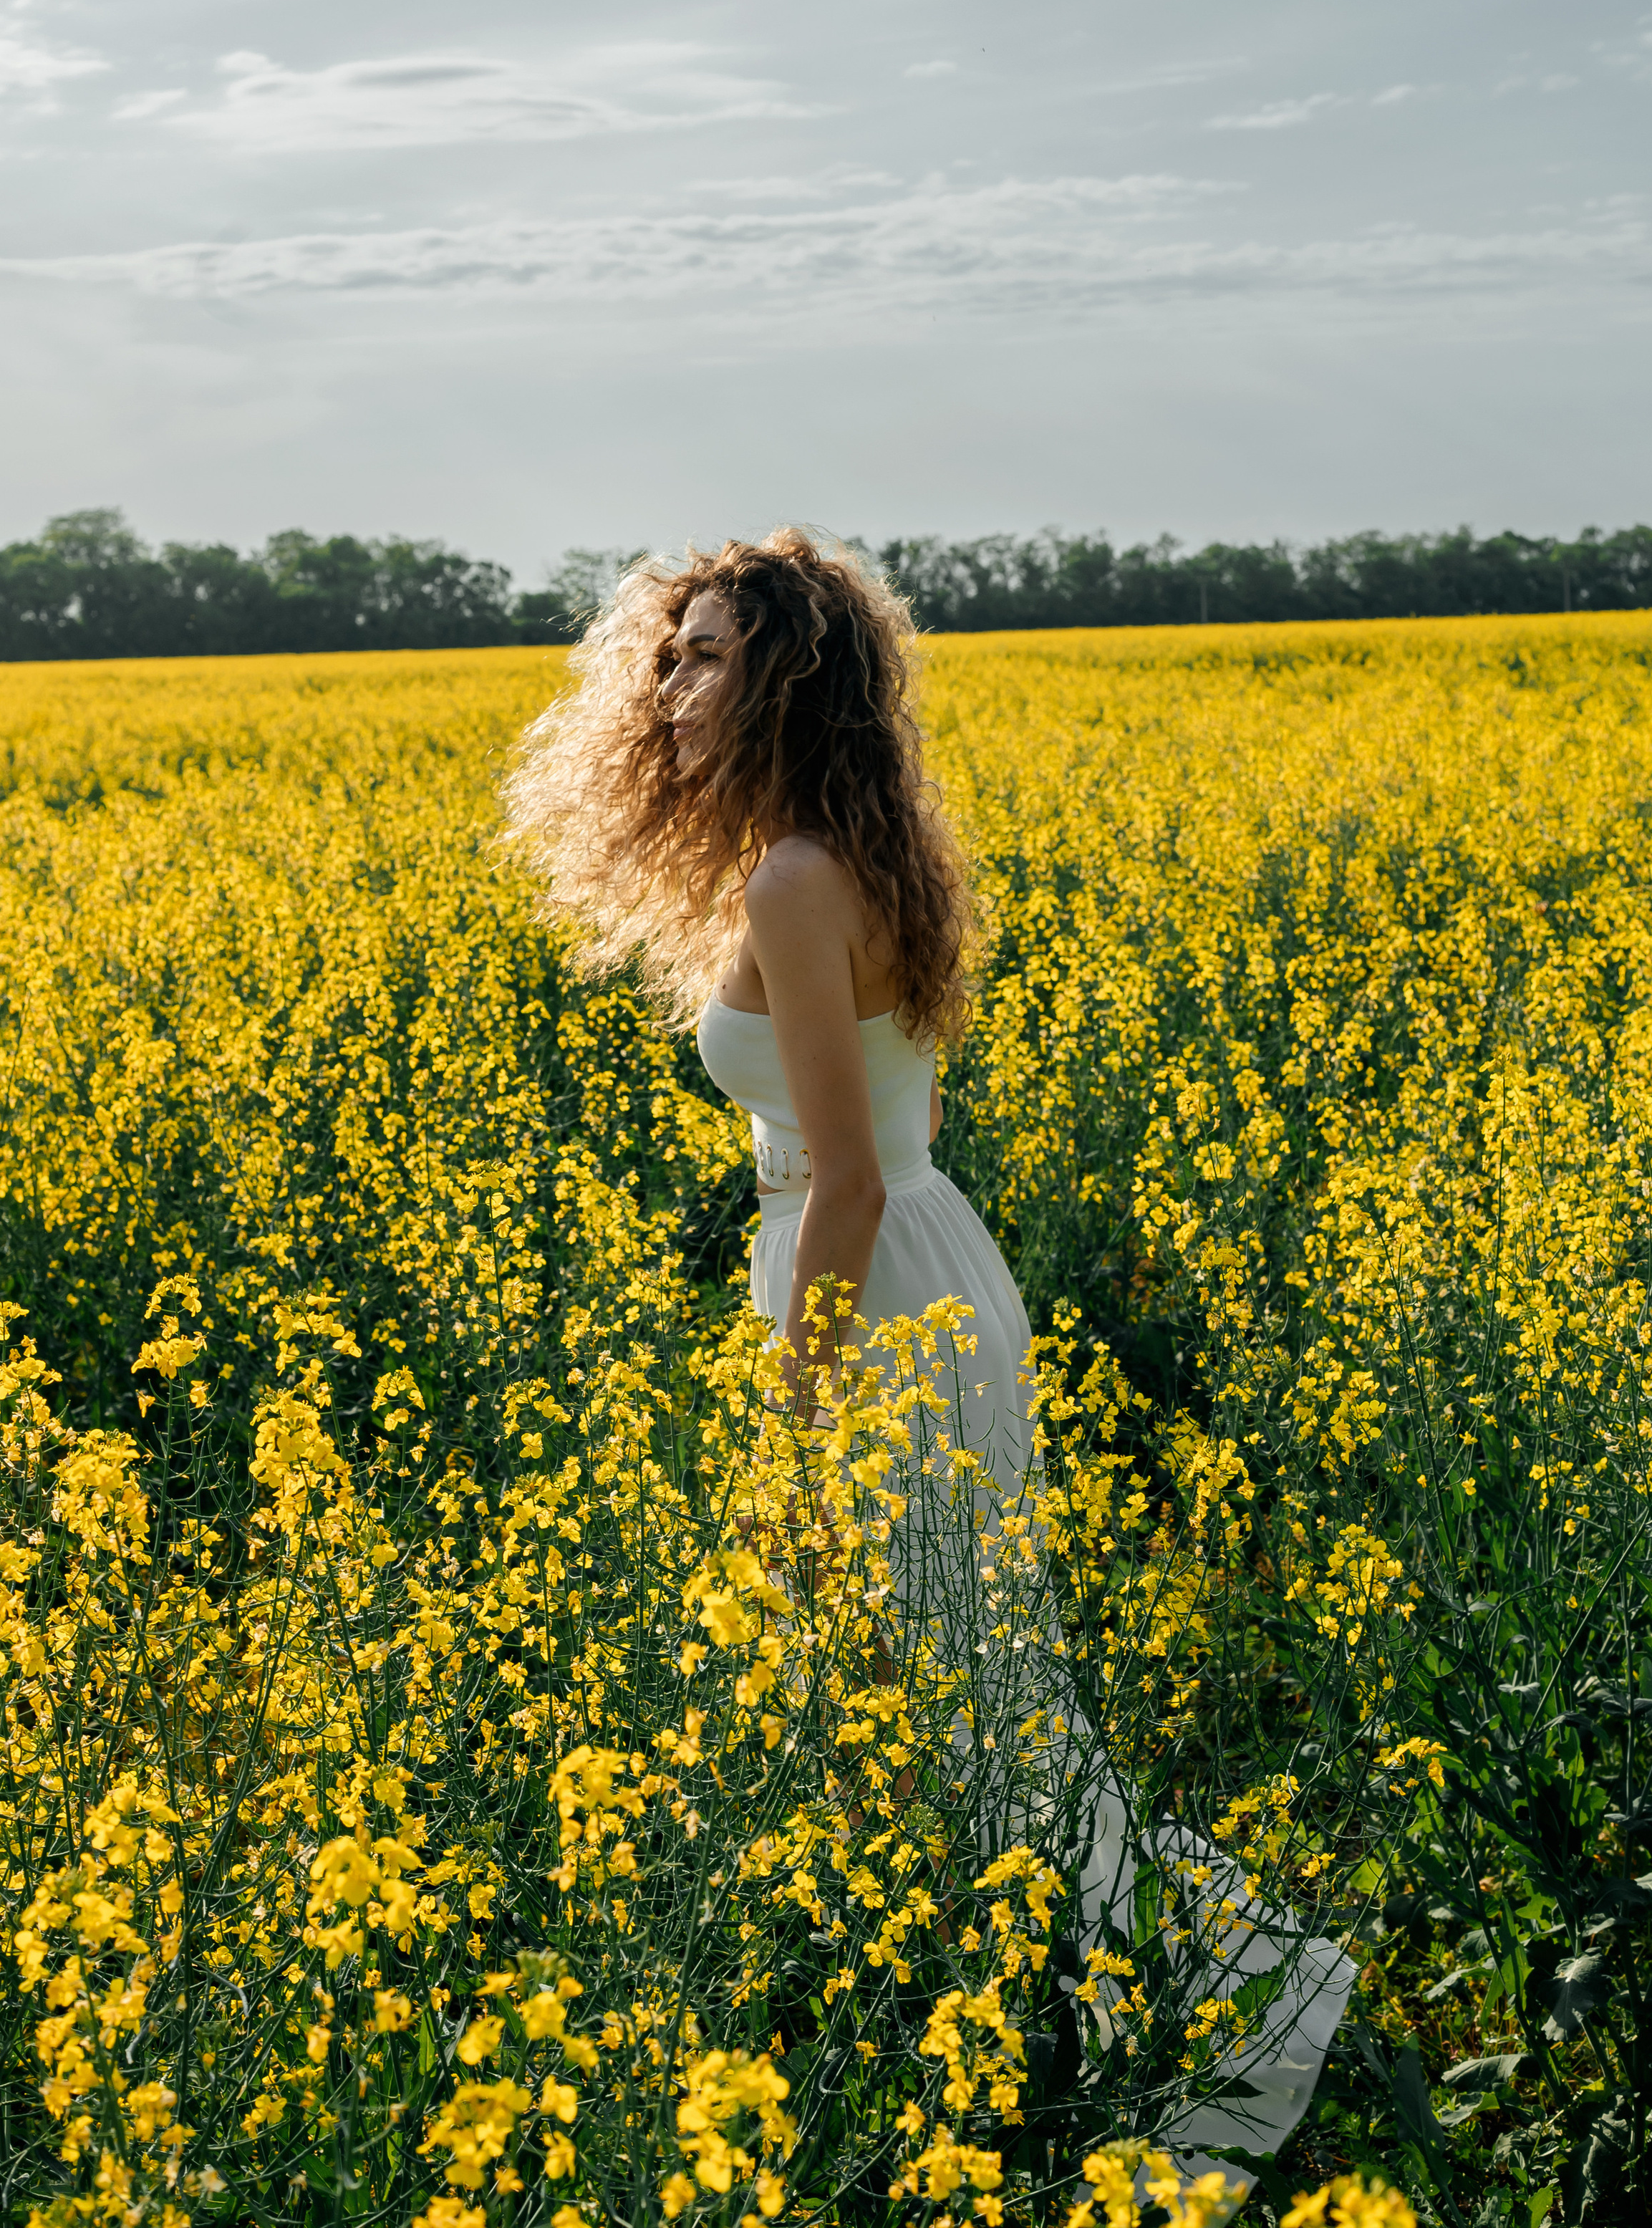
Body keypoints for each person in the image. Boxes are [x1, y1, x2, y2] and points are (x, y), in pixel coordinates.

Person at [500, 526, 1352, 2186]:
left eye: (706, 658)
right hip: (923, 1267)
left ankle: (1182, 2024)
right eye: (666, 654)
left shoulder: (793, 879)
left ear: (786, 684)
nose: (667, 689)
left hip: (871, 1283)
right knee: (955, 1690)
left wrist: (793, 1426)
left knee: (947, 1697)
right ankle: (1075, 2010)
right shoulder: (843, 854)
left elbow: (846, 1172)